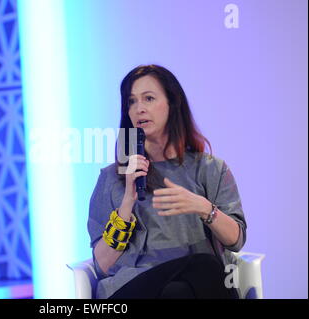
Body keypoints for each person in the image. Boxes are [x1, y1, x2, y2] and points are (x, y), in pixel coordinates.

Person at [87, 64, 246, 299]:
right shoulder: (112, 177)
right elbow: (101, 265)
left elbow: (236, 240)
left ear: (172, 104)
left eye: (148, 98)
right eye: (131, 101)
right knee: (205, 268)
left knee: (184, 286)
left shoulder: (211, 169)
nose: (139, 108)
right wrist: (128, 200)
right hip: (133, 289)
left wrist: (203, 207)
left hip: (195, 288)